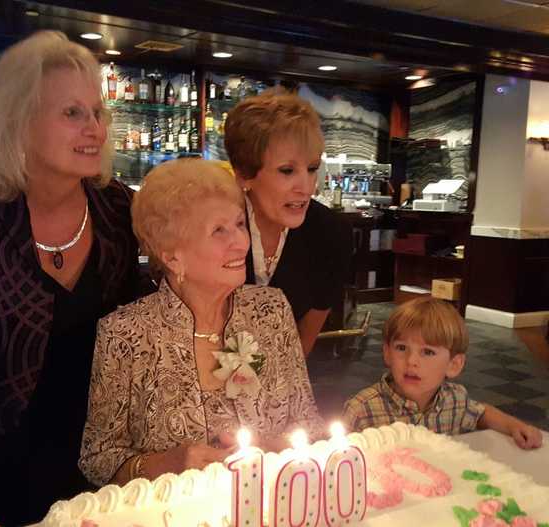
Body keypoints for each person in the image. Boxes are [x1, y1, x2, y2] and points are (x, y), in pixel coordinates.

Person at [0, 31, 142, 527]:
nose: (95, 130)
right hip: (5, 473)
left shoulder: (116, 207)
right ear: (17, 121)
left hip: (112, 468)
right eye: (72, 113)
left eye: (97, 113)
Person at [79, 158, 325, 487]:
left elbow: (310, 424)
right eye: (218, 230)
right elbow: (98, 458)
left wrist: (269, 450)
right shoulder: (125, 333)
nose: (240, 242)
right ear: (171, 255)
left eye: (239, 224)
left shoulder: (271, 310)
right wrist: (159, 465)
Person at [224, 91, 352, 357]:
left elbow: (304, 341)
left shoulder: (330, 232)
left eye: (312, 168)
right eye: (287, 171)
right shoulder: (216, 226)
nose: (306, 188)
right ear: (244, 174)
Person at [342, 297, 543, 449]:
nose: (411, 361)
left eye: (427, 352)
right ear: (387, 352)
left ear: (454, 364)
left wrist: (515, 426)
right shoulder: (362, 409)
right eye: (401, 348)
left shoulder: (455, 399)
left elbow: (481, 413)